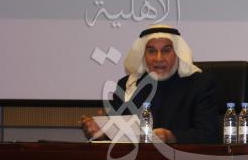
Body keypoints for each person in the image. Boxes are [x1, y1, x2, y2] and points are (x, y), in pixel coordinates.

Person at [80, 25, 221, 144]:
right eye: (151, 51)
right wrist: (103, 132)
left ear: (178, 53)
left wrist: (172, 137)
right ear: (143, 55)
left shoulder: (200, 85)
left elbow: (210, 134)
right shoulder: (127, 85)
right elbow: (119, 134)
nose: (158, 58)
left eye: (166, 50)